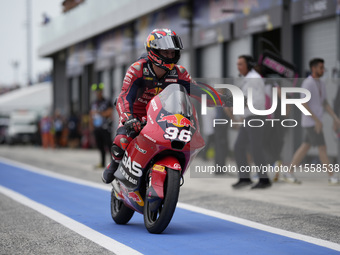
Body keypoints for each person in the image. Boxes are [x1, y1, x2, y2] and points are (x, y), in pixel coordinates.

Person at [102, 28, 232, 184]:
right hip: (135, 117)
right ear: (154, 50)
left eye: (173, 52)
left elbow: (198, 91)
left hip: (162, 117)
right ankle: (114, 164)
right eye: (166, 52)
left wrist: (225, 99)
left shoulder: (180, 73)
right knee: (121, 140)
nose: (171, 56)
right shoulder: (137, 69)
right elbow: (124, 96)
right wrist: (128, 118)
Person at [284, 58, 340, 184]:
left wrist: (335, 118)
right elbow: (303, 103)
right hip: (312, 123)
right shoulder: (307, 84)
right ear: (313, 68)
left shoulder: (321, 83)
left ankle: (288, 172)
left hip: (316, 122)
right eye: (320, 67)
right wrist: (316, 121)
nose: (323, 70)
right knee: (322, 148)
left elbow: (324, 103)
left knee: (305, 147)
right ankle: (332, 176)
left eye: (323, 67)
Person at [230, 55, 271, 189]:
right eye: (237, 64)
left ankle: (264, 180)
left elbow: (258, 101)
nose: (238, 67)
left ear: (249, 64)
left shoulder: (254, 79)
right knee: (239, 147)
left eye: (241, 64)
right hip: (248, 118)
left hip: (256, 117)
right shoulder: (247, 79)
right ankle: (245, 178)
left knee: (255, 148)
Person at [90, 83, 113, 169]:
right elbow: (91, 115)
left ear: (102, 92)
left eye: (99, 91)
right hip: (97, 128)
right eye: (96, 92)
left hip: (106, 127)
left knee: (109, 145)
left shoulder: (107, 101)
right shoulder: (94, 103)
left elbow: (109, 113)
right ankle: (102, 163)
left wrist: (99, 113)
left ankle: (112, 163)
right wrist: (91, 127)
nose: (98, 93)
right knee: (100, 146)